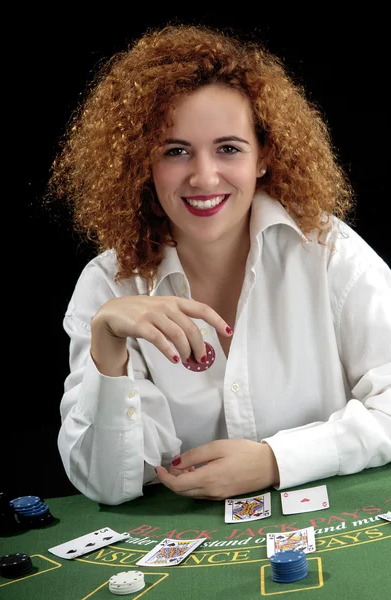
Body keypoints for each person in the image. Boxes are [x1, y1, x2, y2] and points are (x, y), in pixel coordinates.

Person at [46, 23, 391, 506]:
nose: (204, 177)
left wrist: (275, 459)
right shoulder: (107, 285)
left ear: (264, 157)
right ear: (142, 161)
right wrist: (108, 347)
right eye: (176, 151)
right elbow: (107, 483)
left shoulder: (330, 253)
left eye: (228, 148)